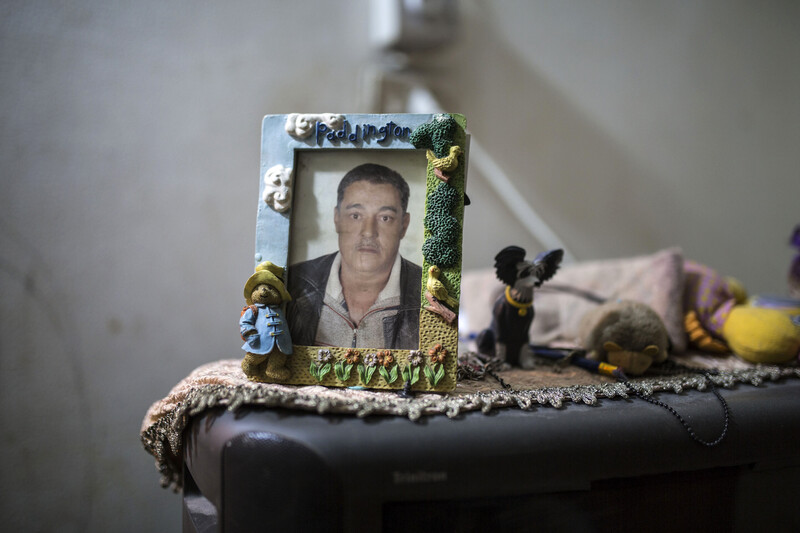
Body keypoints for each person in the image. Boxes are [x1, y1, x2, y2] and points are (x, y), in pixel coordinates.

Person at [287, 163, 422, 349]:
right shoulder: (292, 285)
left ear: (403, 225)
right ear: (337, 218)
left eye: (385, 218)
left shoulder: (429, 296)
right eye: (356, 215)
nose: (368, 232)